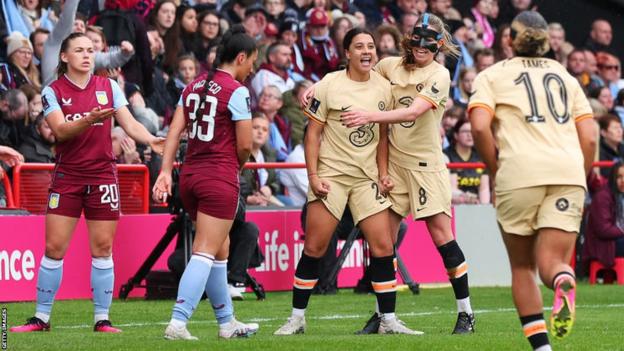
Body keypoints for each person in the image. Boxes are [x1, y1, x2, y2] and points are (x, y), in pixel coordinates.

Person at [9, 32, 164, 334]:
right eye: (79, 50)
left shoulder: (108, 86)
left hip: (103, 175)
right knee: (54, 247)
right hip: (68, 175)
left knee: (103, 248)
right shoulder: (53, 90)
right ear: (64, 57)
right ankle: (41, 318)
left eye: (91, 50)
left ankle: (102, 319)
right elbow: (61, 131)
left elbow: (129, 122)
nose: (87, 55)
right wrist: (89, 119)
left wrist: (150, 139)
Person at [274, 27, 419, 336]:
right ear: (347, 53)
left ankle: (388, 321)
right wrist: (313, 176)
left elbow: (383, 136)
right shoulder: (328, 85)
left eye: (371, 46)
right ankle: (296, 318)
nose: (367, 51)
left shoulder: (385, 87)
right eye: (359, 46)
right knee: (314, 246)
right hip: (333, 177)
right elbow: (312, 134)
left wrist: (383, 173)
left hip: (366, 179)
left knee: (383, 246)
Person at [340, 12, 475, 334]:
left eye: (429, 42)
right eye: (417, 38)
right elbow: (354, 76)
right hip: (395, 167)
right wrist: (317, 90)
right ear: (409, 39)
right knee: (382, 243)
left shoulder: (439, 75)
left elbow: (414, 111)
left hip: (427, 167)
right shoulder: (389, 66)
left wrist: (369, 116)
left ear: (439, 45)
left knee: (442, 237)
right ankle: (383, 316)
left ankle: (466, 313)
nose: (421, 47)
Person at [468, 11, 596, 350]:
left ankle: (542, 347)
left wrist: (495, 168)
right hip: (567, 172)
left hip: (519, 173)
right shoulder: (565, 76)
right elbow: (591, 136)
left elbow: (480, 127)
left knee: (522, 265)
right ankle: (564, 279)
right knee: (553, 263)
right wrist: (578, 175)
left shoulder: (492, 76)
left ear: (509, 40)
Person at [153, 25, 260, 341]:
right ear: (240, 57)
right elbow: (244, 146)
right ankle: (178, 322)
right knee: (204, 249)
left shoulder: (193, 85)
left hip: (190, 176)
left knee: (220, 248)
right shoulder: (237, 91)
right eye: (251, 61)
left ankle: (227, 323)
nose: (252, 68)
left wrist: (164, 171)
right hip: (218, 176)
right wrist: (235, 168)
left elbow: (173, 132)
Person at [583, 162, 624, 272]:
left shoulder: (620, 195)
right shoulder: (603, 197)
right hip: (605, 245)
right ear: (612, 178)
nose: (623, 180)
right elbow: (604, 230)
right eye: (619, 177)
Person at [444, 118, 490, 204]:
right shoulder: (447, 156)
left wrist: (484, 207)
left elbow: (484, 189)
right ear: (456, 135)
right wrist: (467, 198)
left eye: (472, 131)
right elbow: (452, 188)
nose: (469, 135)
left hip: (476, 205)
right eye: (465, 131)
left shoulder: (480, 156)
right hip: (454, 205)